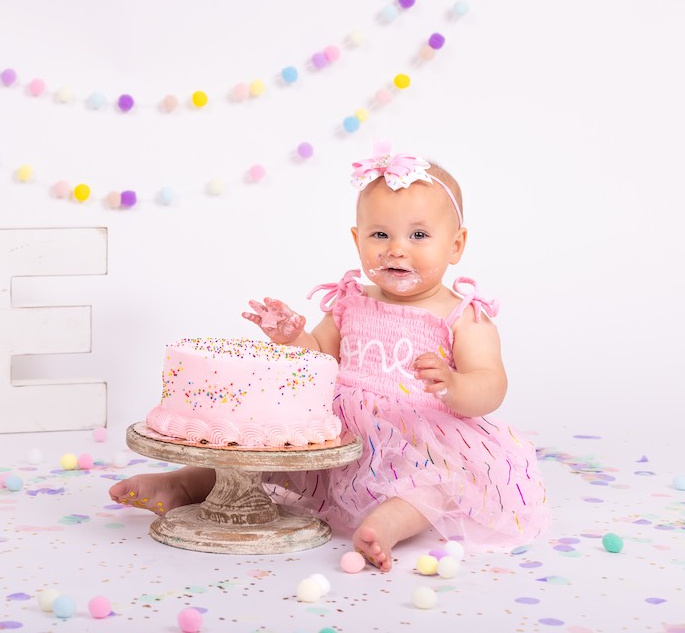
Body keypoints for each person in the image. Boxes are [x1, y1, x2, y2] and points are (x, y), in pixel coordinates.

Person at [109, 145, 548, 570]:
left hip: (419, 438)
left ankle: (388, 524)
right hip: (341, 430)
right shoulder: (350, 302)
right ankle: (184, 483)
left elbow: (491, 384)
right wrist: (293, 335)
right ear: (357, 240)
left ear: (456, 245)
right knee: (265, 457)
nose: (396, 248)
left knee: (436, 489)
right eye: (380, 234)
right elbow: (318, 359)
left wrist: (455, 385)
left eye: (418, 235)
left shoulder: (461, 316)